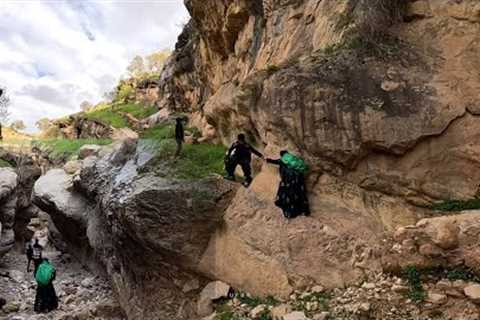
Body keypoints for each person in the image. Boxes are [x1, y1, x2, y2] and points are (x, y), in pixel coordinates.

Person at [266, 150, 310, 219]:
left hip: (289, 180)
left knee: (288, 194)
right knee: (300, 194)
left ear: (281, 155)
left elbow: (274, 161)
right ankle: (304, 211)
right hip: (298, 179)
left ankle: (291, 212)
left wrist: (267, 160)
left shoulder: (282, 160)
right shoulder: (294, 159)